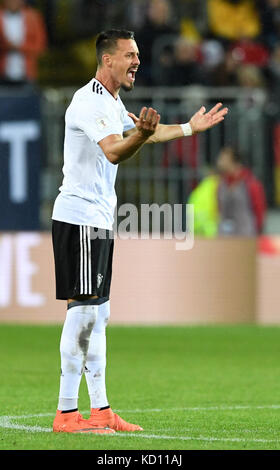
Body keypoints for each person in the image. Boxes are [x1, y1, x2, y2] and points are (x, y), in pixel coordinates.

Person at [51, 29, 228, 434]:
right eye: (130, 54)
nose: (137, 61)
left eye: (138, 55)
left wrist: (187, 128)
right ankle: (65, 413)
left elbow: (136, 135)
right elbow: (116, 149)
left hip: (99, 220)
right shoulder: (88, 101)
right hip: (78, 218)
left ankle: (101, 411)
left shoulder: (112, 102)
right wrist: (144, 135)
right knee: (82, 312)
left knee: (99, 313)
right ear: (107, 59)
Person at [216, 146, 266, 236]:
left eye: (223, 158)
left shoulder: (251, 183)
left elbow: (259, 210)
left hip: (246, 236)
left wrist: (257, 232)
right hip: (225, 237)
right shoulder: (221, 184)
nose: (220, 162)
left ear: (234, 161)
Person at [0, 0, 47, 85]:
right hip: (3, 73)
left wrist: (19, 47)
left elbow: (40, 46)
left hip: (27, 73)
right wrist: (6, 46)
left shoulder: (33, 17)